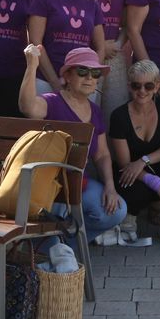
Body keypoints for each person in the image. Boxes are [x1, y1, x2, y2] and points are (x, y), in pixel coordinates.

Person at [18, 44, 126, 239]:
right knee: (57, 209)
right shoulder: (51, 101)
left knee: (117, 211)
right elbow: (27, 107)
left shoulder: (95, 111)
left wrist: (110, 186)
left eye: (95, 73)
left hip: (77, 183)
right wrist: (32, 65)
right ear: (67, 76)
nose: (89, 78)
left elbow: (101, 154)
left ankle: (65, 248)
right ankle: (51, 251)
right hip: (47, 184)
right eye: (82, 71)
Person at [108, 60, 160, 250]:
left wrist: (143, 160)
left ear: (158, 86)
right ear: (129, 86)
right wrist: (157, 184)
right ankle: (130, 219)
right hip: (131, 174)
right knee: (132, 184)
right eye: (136, 85)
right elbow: (124, 164)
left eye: (149, 85)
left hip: (154, 165)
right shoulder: (119, 116)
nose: (142, 91)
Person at [28, 0, 105, 94]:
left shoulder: (92, 3)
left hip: (81, 84)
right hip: (46, 81)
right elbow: (36, 43)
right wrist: (55, 83)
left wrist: (90, 78)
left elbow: (100, 48)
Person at [86, 0, 131, 123]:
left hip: (115, 53)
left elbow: (128, 24)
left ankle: (111, 154)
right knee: (88, 107)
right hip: (88, 54)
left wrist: (118, 45)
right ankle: (88, 153)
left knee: (116, 109)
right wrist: (100, 47)